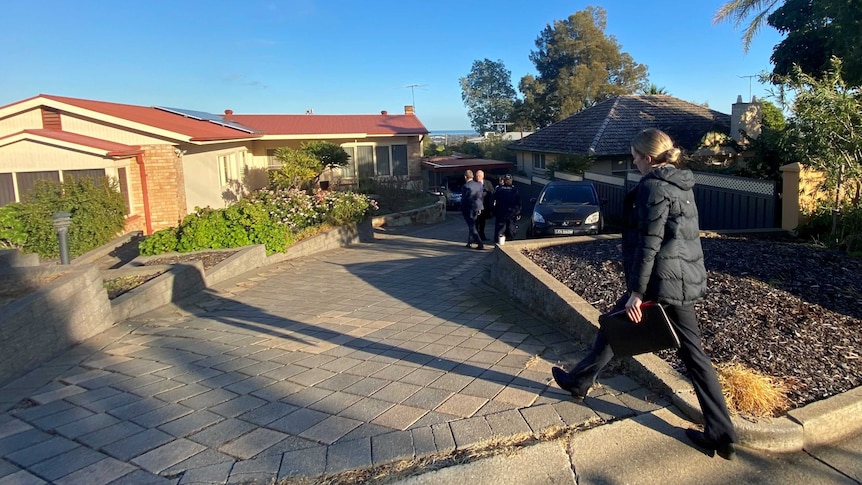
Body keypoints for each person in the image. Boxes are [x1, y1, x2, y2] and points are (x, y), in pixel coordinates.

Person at [551, 128, 738, 460]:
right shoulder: (681, 184)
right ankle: (580, 381)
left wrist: (637, 291)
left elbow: (649, 243)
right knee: (615, 325)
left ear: (648, 159)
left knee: (692, 357)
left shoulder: (653, 187)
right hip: (680, 278)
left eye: (635, 157)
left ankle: (721, 433)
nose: (633, 162)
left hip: (663, 283)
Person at [492, 174, 521, 245]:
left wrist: (494, 211)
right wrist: (518, 212)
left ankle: (499, 243)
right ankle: (509, 243)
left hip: (501, 213)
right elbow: (519, 203)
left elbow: (492, 201)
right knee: (511, 229)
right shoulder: (514, 190)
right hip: (512, 214)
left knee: (500, 230)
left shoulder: (499, 190)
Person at [460, 169, 485, 249]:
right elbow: (481, 196)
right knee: (473, 224)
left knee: (471, 226)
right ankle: (470, 242)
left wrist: (462, 209)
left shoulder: (466, 186)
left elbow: (464, 199)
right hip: (477, 208)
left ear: (465, 177)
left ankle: (480, 243)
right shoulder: (478, 185)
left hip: (469, 208)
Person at [475, 170, 495, 241]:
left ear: (482, 176)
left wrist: (487, 194)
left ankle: (482, 235)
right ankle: (476, 237)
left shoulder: (488, 183)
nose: (478, 177)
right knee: (476, 222)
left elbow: (492, 192)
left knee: (482, 222)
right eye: (476, 176)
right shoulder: (474, 183)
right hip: (477, 206)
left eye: (479, 176)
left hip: (485, 206)